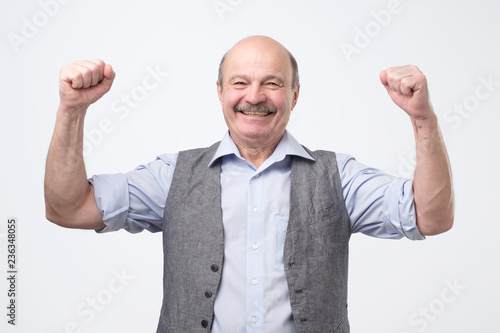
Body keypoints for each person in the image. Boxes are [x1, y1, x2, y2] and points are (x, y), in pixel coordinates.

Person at [44, 35, 454, 332]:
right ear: (220, 91)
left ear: (294, 95)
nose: (254, 96)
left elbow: (429, 216)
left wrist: (422, 119)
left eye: (272, 83)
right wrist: (71, 111)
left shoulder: (339, 177)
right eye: (240, 82)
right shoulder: (173, 176)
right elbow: (69, 208)